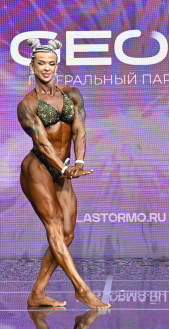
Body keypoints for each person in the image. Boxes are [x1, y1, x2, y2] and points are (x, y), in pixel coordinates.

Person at [17, 38, 108, 310]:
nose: (46, 68)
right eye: (41, 64)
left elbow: (79, 130)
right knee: (55, 226)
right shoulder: (27, 105)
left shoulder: (73, 95)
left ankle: (38, 293)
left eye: (51, 63)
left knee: (67, 234)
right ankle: (82, 289)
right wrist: (65, 168)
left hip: (64, 168)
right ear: (32, 66)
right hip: (38, 168)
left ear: (57, 66)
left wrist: (78, 161)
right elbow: (43, 144)